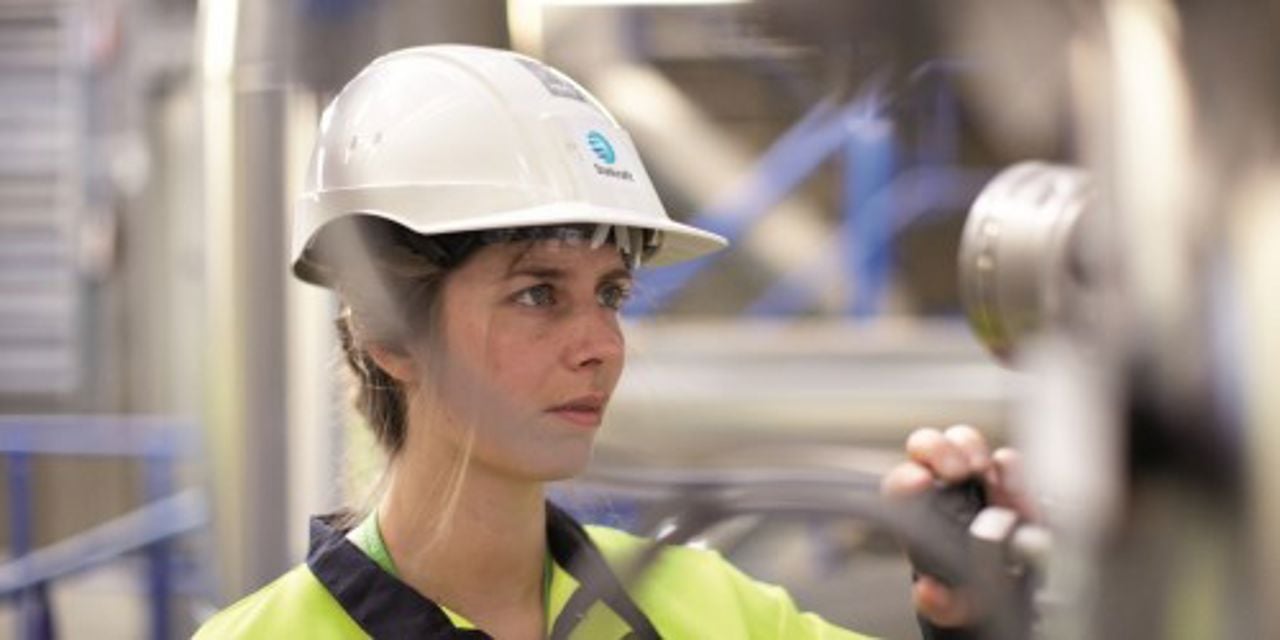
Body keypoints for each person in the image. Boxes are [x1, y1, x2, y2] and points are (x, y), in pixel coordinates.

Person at [194, 45, 1030, 639]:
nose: (600, 345)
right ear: (388, 334)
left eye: (612, 295)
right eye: (536, 293)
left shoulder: (706, 609)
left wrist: (968, 620)